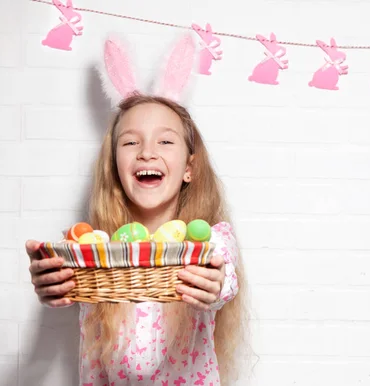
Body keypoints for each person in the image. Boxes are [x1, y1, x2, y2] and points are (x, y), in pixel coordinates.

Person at [24, 32, 249, 385]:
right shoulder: (96, 248)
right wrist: (51, 282)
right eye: (130, 141)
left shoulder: (209, 242)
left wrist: (215, 283)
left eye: (165, 140)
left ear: (189, 167)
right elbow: (66, 284)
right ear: (115, 164)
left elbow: (223, 279)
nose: (146, 152)